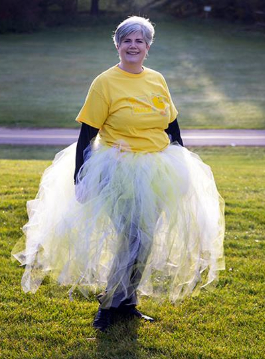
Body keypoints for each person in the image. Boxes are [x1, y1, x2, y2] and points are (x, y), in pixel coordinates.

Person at [12, 16, 225, 332]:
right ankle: (109, 307)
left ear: (148, 47)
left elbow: (172, 124)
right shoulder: (104, 82)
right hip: (118, 169)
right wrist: (80, 178)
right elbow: (87, 134)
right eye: (127, 40)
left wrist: (182, 163)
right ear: (118, 45)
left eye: (139, 41)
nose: (133, 46)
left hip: (157, 168)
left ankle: (128, 303)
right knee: (132, 236)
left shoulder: (156, 79)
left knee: (145, 239)